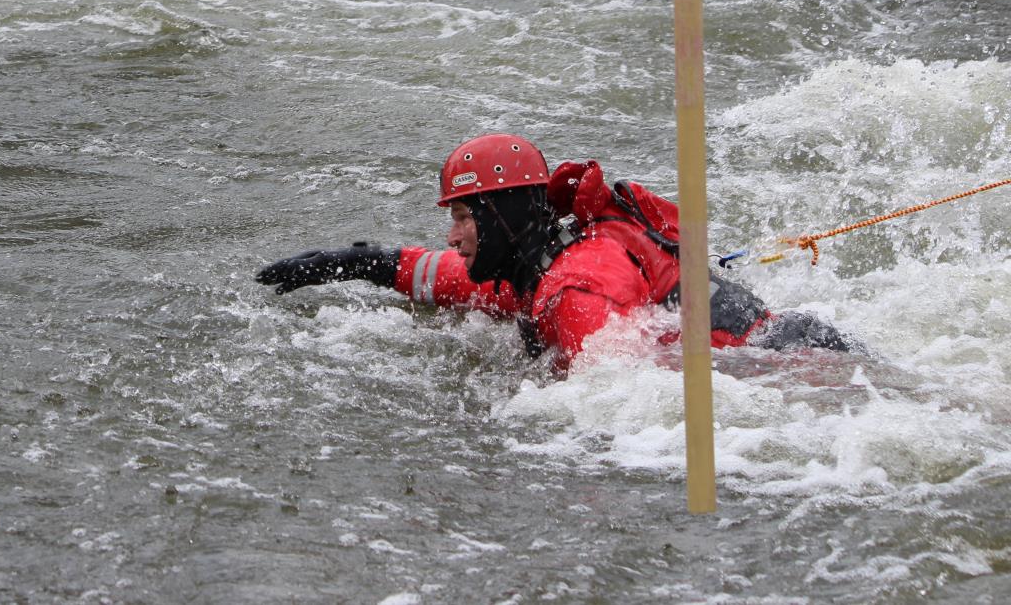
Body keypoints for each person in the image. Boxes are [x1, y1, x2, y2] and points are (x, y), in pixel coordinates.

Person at [257, 133, 852, 369]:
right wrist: (354, 261)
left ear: (501, 218)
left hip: (799, 365)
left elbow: (626, 389)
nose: (452, 235)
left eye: (464, 218)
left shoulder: (572, 294)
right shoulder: (530, 263)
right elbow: (442, 274)